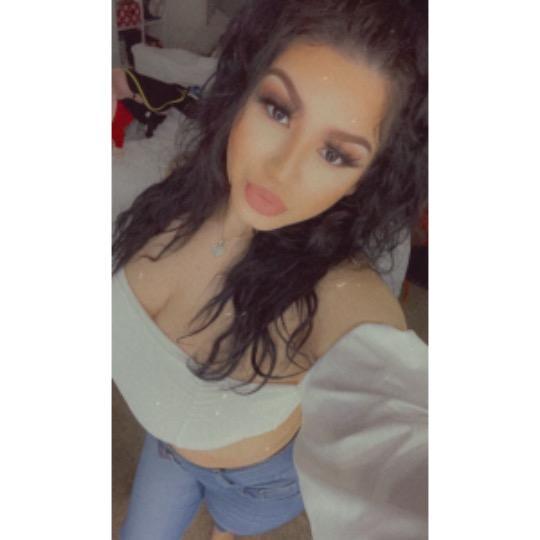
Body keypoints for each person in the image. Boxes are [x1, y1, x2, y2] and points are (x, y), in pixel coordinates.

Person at [112, 0, 428, 538]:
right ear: (242, 91)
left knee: (229, 531)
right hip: (165, 450)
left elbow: (406, 459)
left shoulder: (340, 295)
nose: (281, 170)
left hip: (255, 484)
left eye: (336, 154)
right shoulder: (171, 186)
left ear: (367, 177)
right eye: (278, 110)